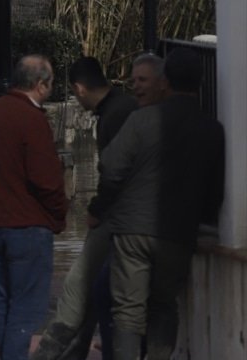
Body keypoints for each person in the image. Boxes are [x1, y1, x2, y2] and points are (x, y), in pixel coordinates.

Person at [92, 48, 226, 360]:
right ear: (202, 83)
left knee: (128, 310)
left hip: (133, 231)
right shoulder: (212, 130)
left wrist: (106, 204)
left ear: (164, 81)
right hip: (178, 232)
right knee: (164, 306)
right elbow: (215, 193)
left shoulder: (142, 120)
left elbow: (111, 167)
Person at [30, 57, 138, 360]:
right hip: (129, 216)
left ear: (79, 89)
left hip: (116, 215)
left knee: (78, 284)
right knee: (93, 288)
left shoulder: (114, 115)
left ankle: (50, 352)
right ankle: (74, 350)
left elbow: (114, 172)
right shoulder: (124, 108)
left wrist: (96, 209)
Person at [0, 54, 69, 360]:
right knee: (26, 311)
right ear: (40, 85)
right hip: (28, 228)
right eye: (51, 83)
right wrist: (58, 215)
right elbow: (47, 179)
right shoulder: (32, 120)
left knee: (5, 303)